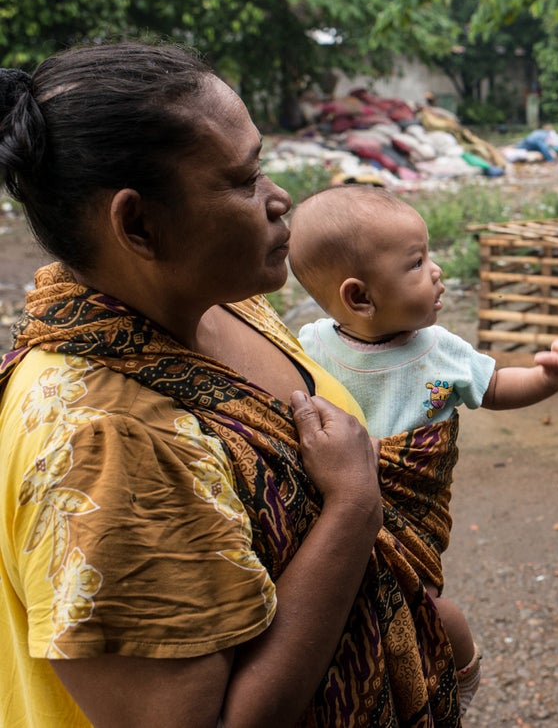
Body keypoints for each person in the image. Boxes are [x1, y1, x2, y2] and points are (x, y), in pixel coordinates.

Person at [0, 42, 531, 726]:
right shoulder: (97, 446)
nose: (281, 200)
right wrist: (351, 507)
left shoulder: (223, 303)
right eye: (244, 180)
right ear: (137, 223)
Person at [286, 183, 558, 717]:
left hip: (409, 517)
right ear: (359, 297)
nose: (437, 272)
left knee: (441, 616)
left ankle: (457, 674)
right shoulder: (310, 348)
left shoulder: (440, 352)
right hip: (344, 512)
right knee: (351, 616)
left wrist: (547, 378)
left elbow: (496, 388)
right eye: (417, 263)